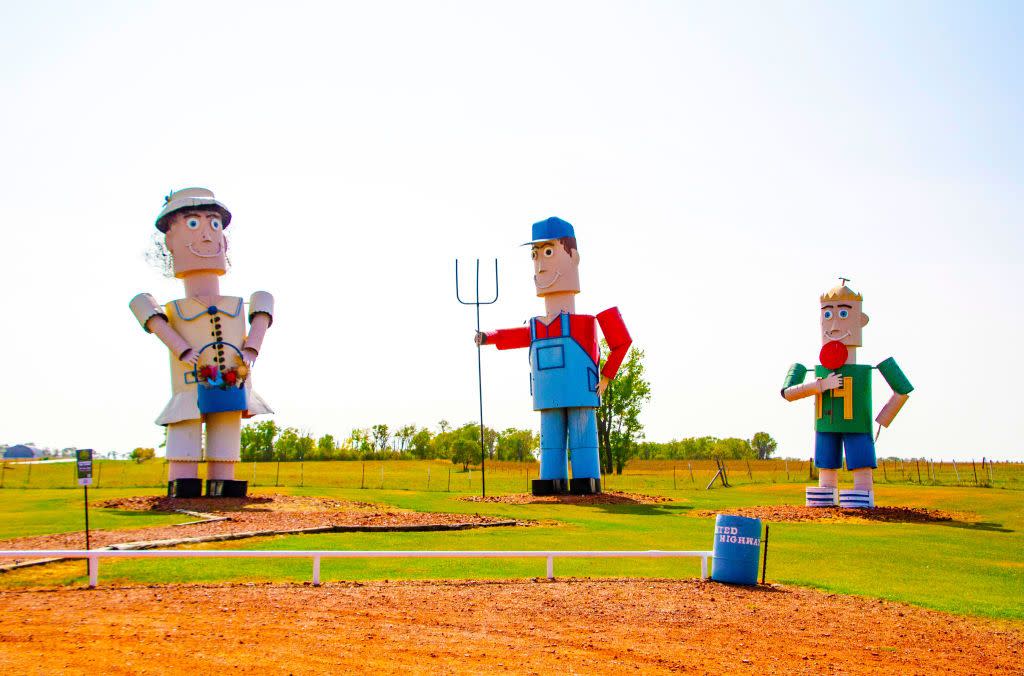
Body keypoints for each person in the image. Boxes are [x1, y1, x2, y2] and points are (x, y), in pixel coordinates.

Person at [130, 188, 274, 498]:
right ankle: (182, 481)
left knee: (226, 431)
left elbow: (264, 306)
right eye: (193, 224)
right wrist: (179, 346)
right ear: (170, 241)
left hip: (232, 383)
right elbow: (142, 306)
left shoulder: (237, 304)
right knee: (185, 424)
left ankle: (224, 480)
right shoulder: (174, 310)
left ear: (224, 239)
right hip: (189, 383)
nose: (207, 236)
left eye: (214, 224)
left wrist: (252, 346)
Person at [476, 217, 631, 496]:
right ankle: (551, 480)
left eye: (548, 252)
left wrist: (607, 376)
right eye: (534, 255)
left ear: (573, 258)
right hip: (547, 393)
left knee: (583, 437)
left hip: (580, 391)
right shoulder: (536, 325)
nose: (540, 263)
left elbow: (622, 341)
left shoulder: (586, 321)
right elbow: (514, 336)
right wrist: (489, 336)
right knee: (551, 439)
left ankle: (587, 479)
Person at [781, 281, 912, 508]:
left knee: (860, 462)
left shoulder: (865, 369)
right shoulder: (814, 370)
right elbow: (787, 393)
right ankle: (825, 498)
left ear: (860, 321)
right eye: (828, 314)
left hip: (858, 424)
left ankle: (861, 496)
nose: (833, 325)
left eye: (843, 314)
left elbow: (903, 389)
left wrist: (883, 418)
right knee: (826, 463)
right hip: (825, 424)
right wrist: (820, 385)